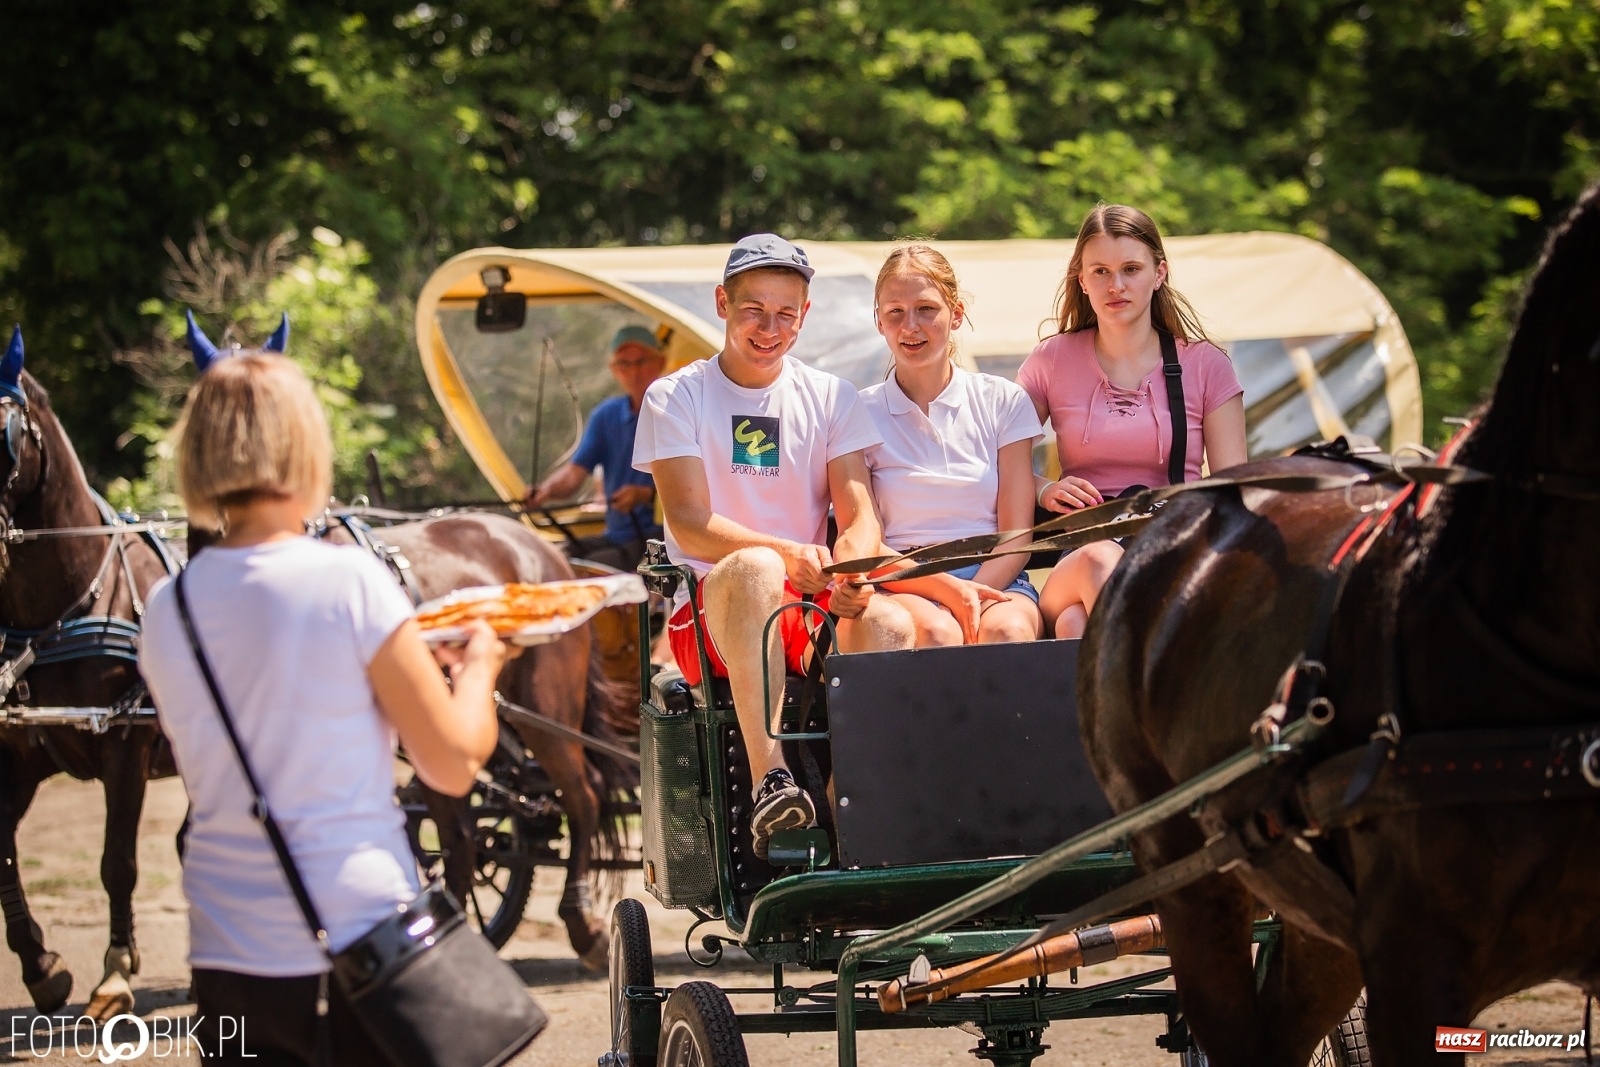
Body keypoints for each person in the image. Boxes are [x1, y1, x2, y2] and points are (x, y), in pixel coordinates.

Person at [138, 354, 509, 1064]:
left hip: (225, 952)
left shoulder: (167, 607)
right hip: (361, 933)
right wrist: (483, 661)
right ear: (304, 444)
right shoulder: (350, 581)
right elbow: (453, 763)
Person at [633, 233, 916, 859]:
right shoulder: (676, 395)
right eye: (754, 309)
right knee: (759, 565)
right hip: (710, 612)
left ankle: (854, 812)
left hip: (804, 606)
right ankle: (772, 782)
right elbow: (688, 523)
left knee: (892, 624)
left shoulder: (832, 397)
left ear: (805, 315)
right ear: (722, 303)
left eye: (786, 313)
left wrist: (853, 567)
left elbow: (859, 511)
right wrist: (791, 554)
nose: (770, 327)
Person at [1018, 204, 1248, 638]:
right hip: (1082, 554)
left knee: (1074, 625)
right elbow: (996, 460)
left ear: (1159, 273)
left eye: (1130, 268)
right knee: (1099, 560)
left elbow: (1231, 490)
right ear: (1081, 280)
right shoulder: (1050, 360)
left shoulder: (1206, 365)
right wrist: (1045, 489)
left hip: (1171, 553)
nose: (1116, 285)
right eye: (1100, 271)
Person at [860, 245, 1044, 645]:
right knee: (936, 633)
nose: (911, 326)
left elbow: (1017, 538)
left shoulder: (1003, 400)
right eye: (895, 312)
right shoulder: (857, 412)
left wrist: (971, 593)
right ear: (879, 322)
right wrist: (946, 593)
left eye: (926, 308)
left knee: (1008, 631)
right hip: (903, 581)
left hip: (996, 572)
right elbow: (867, 542)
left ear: (956, 314)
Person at [523, 324, 667, 571]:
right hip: (617, 534)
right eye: (624, 364)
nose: (634, 372)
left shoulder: (676, 412)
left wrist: (645, 496)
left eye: (642, 361)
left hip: (660, 538)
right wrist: (544, 491)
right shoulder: (605, 415)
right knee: (552, 559)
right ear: (614, 370)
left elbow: (703, 486)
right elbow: (573, 475)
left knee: (587, 570)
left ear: (661, 363)